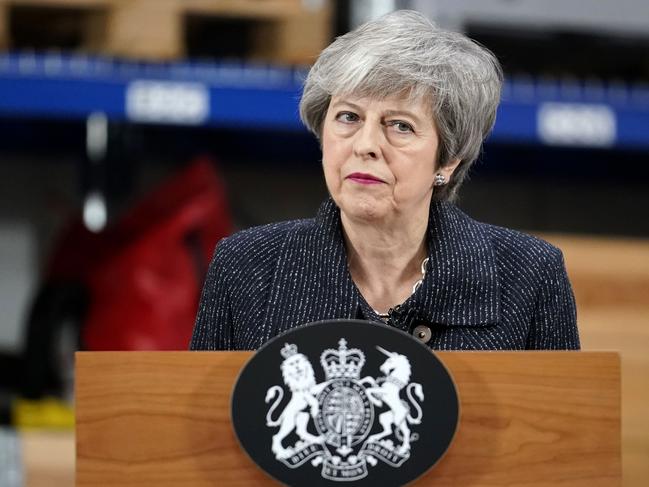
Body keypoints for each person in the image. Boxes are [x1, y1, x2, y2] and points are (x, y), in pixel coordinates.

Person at [190, 10, 579, 351]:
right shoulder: (245, 268)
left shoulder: (529, 276)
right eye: (348, 117)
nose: (366, 145)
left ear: (448, 159)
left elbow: (563, 432)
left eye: (399, 126)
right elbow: (207, 431)